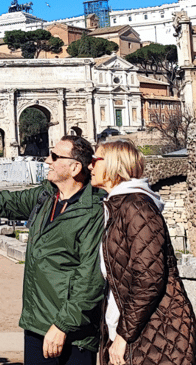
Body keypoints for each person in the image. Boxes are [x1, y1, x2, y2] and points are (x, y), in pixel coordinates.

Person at [0, 135, 105, 365]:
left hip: (71, 332)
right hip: (36, 323)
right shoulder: (45, 197)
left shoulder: (93, 211)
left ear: (75, 168)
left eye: (55, 156)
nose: (47, 160)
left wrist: (63, 326)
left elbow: (90, 278)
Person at [90, 140, 196, 365]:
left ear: (112, 165)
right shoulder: (117, 207)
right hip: (135, 327)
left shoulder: (137, 206)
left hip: (156, 332)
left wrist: (123, 335)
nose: (89, 167)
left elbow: (149, 279)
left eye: (94, 161)